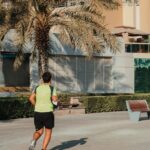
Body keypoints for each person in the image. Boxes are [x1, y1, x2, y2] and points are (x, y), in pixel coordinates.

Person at [28, 72, 58, 150]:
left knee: (39, 131)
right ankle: (43, 149)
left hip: (37, 113)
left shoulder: (37, 87)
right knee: (48, 132)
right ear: (50, 79)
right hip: (48, 113)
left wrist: (36, 105)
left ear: (42, 79)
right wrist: (55, 105)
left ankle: (33, 140)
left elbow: (31, 98)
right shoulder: (52, 88)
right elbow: (55, 100)